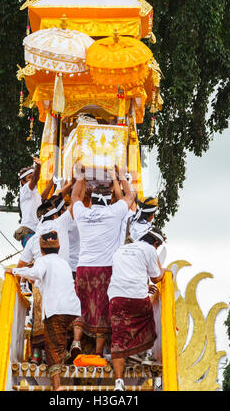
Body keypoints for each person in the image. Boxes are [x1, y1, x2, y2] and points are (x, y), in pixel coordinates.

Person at [69, 165, 136, 360]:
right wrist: (121, 176)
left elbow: (75, 198)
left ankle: (76, 341)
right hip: (105, 269)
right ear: (108, 202)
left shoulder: (82, 212)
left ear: (92, 202)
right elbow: (130, 196)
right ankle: (98, 353)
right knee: (102, 310)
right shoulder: (113, 212)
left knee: (80, 306)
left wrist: (80, 176)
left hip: (83, 268)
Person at [10, 224, 81, 391]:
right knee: (62, 340)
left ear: (41, 250)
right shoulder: (63, 263)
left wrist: (17, 271)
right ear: (58, 248)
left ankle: (57, 386)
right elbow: (43, 280)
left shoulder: (43, 261)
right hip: (73, 309)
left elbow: (34, 274)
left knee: (52, 348)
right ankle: (71, 354)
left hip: (56, 309)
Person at [107, 226, 168, 391]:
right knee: (148, 322)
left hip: (116, 297)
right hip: (137, 298)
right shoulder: (150, 250)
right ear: (155, 243)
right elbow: (156, 278)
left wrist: (143, 284)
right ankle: (144, 355)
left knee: (118, 338)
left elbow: (126, 274)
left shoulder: (122, 249)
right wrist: (164, 270)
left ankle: (119, 383)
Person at [14, 158, 53, 249]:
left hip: (36, 232)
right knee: (33, 259)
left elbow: (42, 198)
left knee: (36, 260)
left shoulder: (33, 192)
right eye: (29, 178)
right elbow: (35, 178)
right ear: (23, 182)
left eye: (32, 177)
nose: (32, 180)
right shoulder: (25, 189)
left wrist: (51, 182)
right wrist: (38, 166)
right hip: (28, 232)